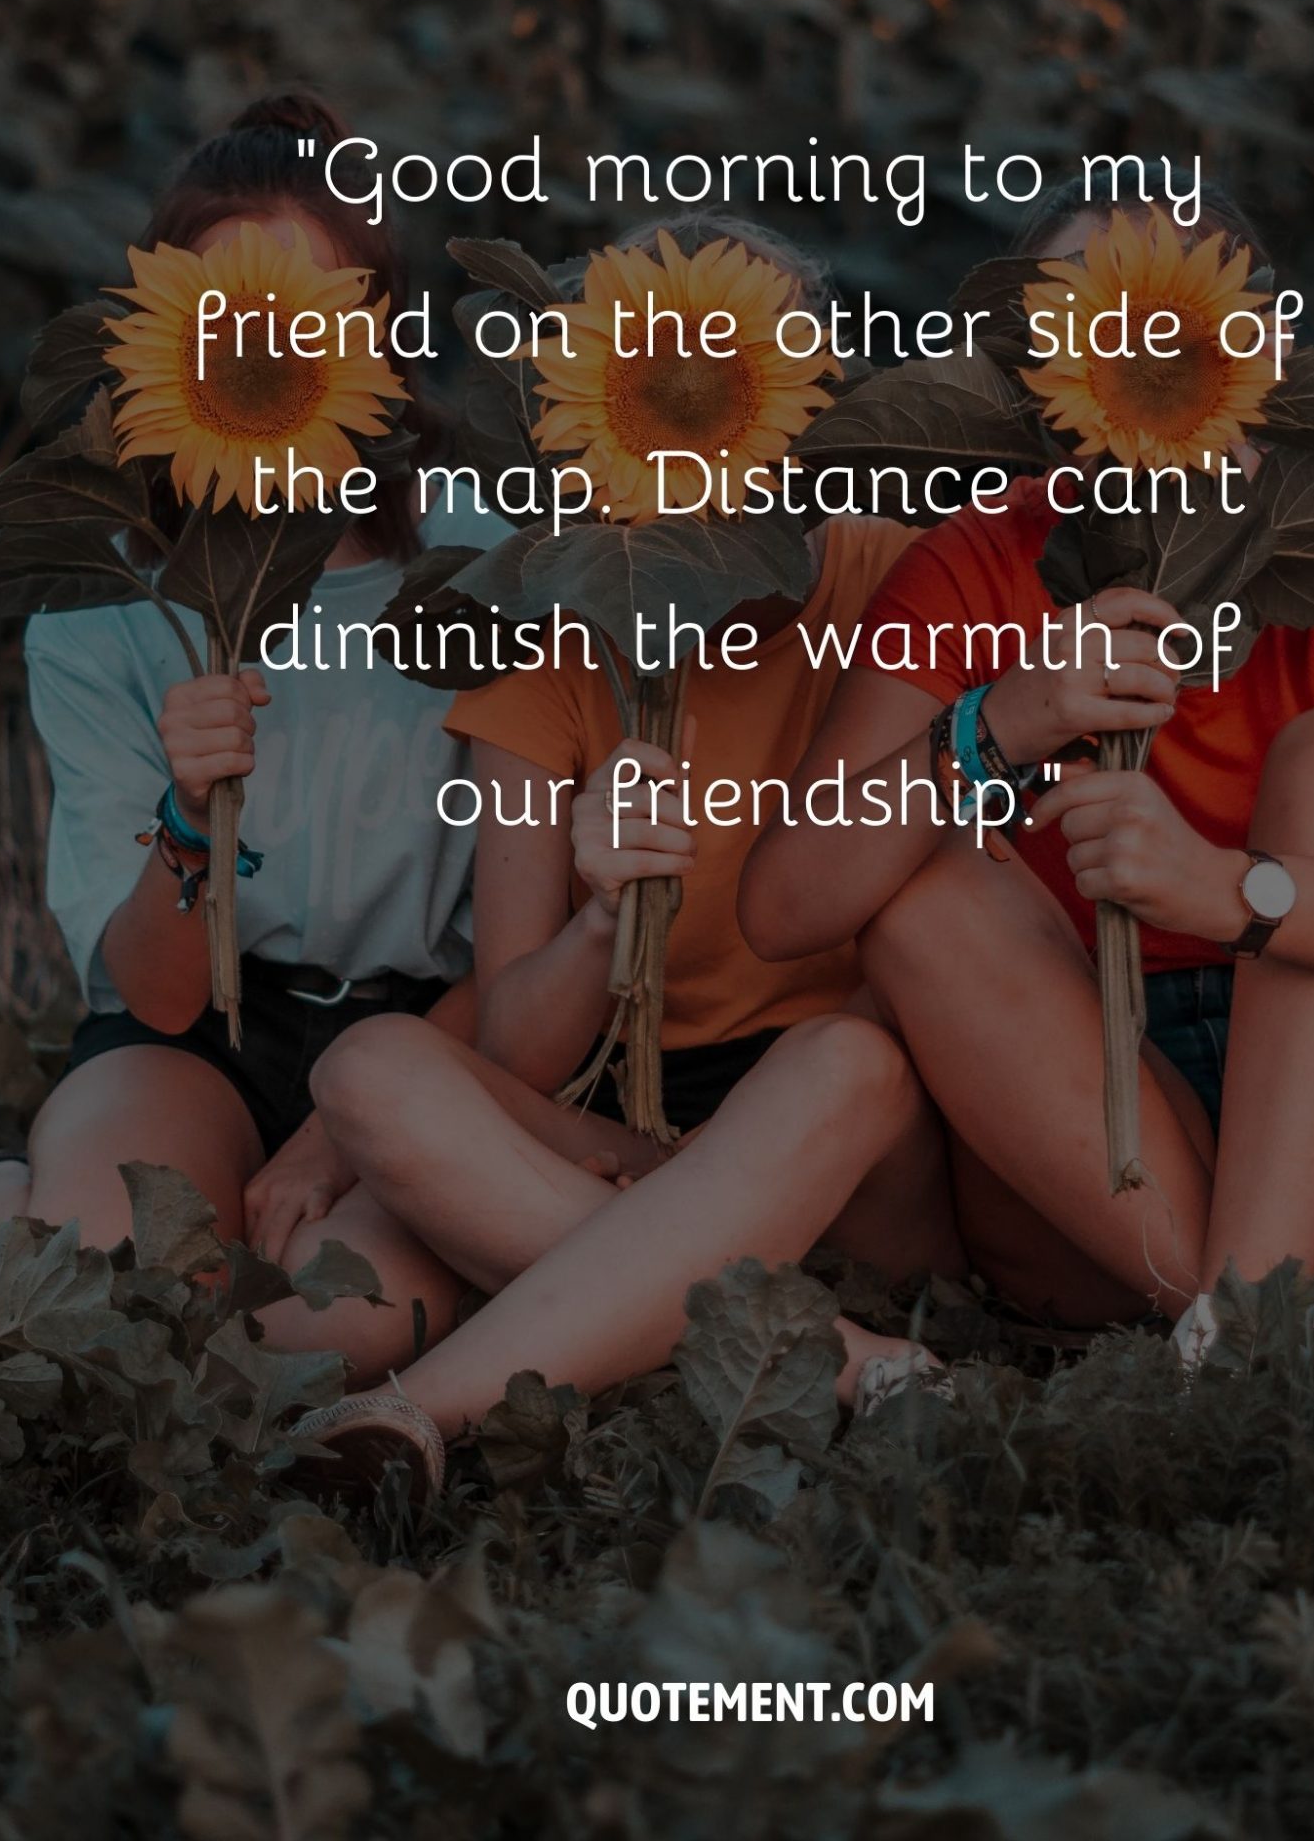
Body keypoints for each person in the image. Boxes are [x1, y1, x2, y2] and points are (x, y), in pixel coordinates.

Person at [737, 179, 1314, 1356]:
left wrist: (1229, 891)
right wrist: (1001, 722)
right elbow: (788, 903)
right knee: (923, 892)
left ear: (1256, 353)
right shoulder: (979, 562)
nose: (1128, 352)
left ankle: (1229, 1324)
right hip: (1102, 1120)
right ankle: (1242, 1323)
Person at [290, 219, 962, 1492]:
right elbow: (512, 1045)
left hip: (845, 1147)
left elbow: (960, 925)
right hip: (607, 1118)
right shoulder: (554, 630)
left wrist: (698, 1173)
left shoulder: (894, 578)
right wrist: (602, 924)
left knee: (847, 1061)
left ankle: (423, 1410)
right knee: (370, 1070)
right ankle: (847, 1358)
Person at [0, 93, 507, 1383]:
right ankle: (10, 1203)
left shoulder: (483, 564)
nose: (274, 346)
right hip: (187, 1041)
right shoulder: (108, 603)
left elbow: (520, 945)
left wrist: (339, 1135)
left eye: (319, 317)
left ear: (379, 339)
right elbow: (160, 994)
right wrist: (190, 813)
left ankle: (21, 1228)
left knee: (346, 1330)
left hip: (422, 1040)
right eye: (239, 319)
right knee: (105, 1296)